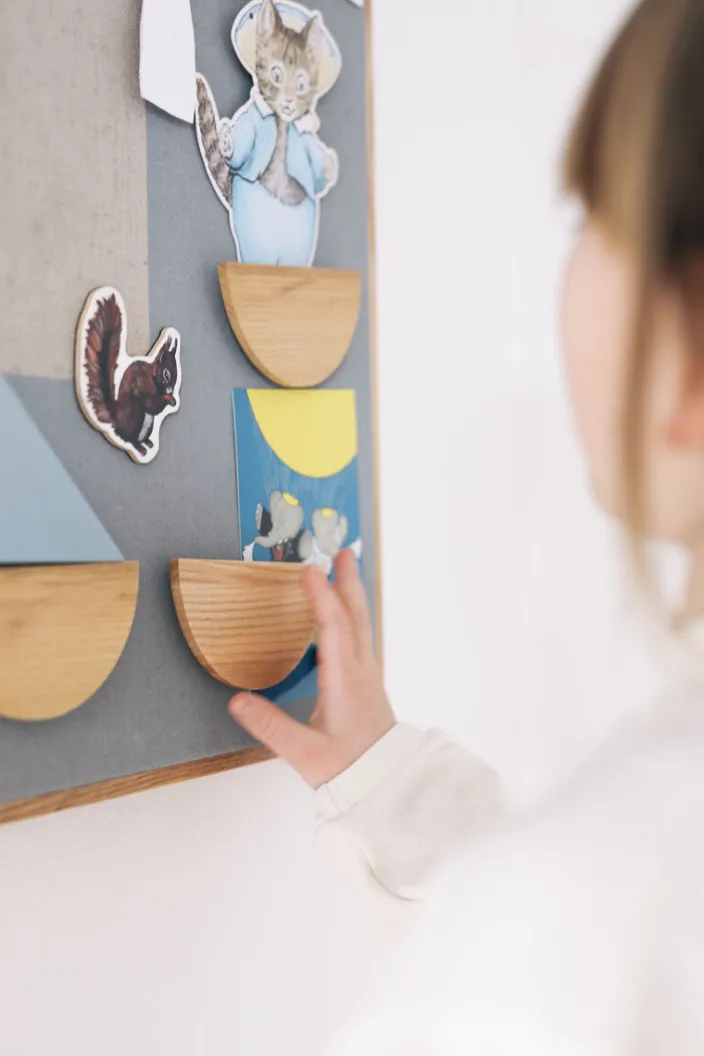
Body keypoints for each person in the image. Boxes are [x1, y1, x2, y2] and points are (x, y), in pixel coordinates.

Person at [229, 0, 704, 1051]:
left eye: (589, 220)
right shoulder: (597, 900)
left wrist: (508, 904)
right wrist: (385, 777)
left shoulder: (598, 898)